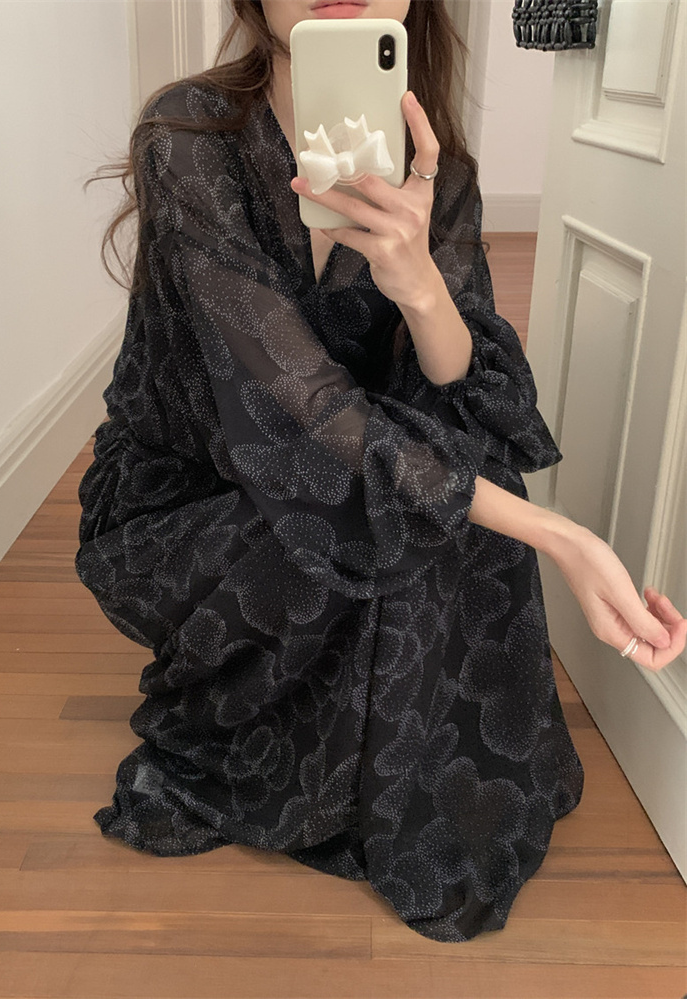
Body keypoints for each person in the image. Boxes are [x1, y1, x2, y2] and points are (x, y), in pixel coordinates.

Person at [76, 0, 686, 943]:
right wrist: (563, 537)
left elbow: (466, 390)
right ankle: (316, 744)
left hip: (346, 466)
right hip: (194, 494)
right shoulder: (189, 140)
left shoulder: (441, 170)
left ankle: (387, 760)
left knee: (447, 483)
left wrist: (421, 285)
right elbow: (292, 413)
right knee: (431, 505)